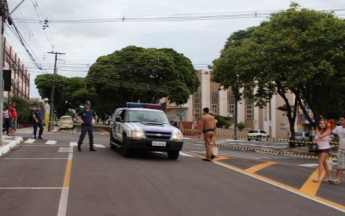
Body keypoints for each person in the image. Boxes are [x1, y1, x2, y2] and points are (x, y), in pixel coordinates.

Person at [331, 115, 345, 185]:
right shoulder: (338, 128)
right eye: (340, 120)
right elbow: (331, 133)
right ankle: (337, 179)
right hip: (341, 149)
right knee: (340, 165)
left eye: (342, 120)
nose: (340, 121)